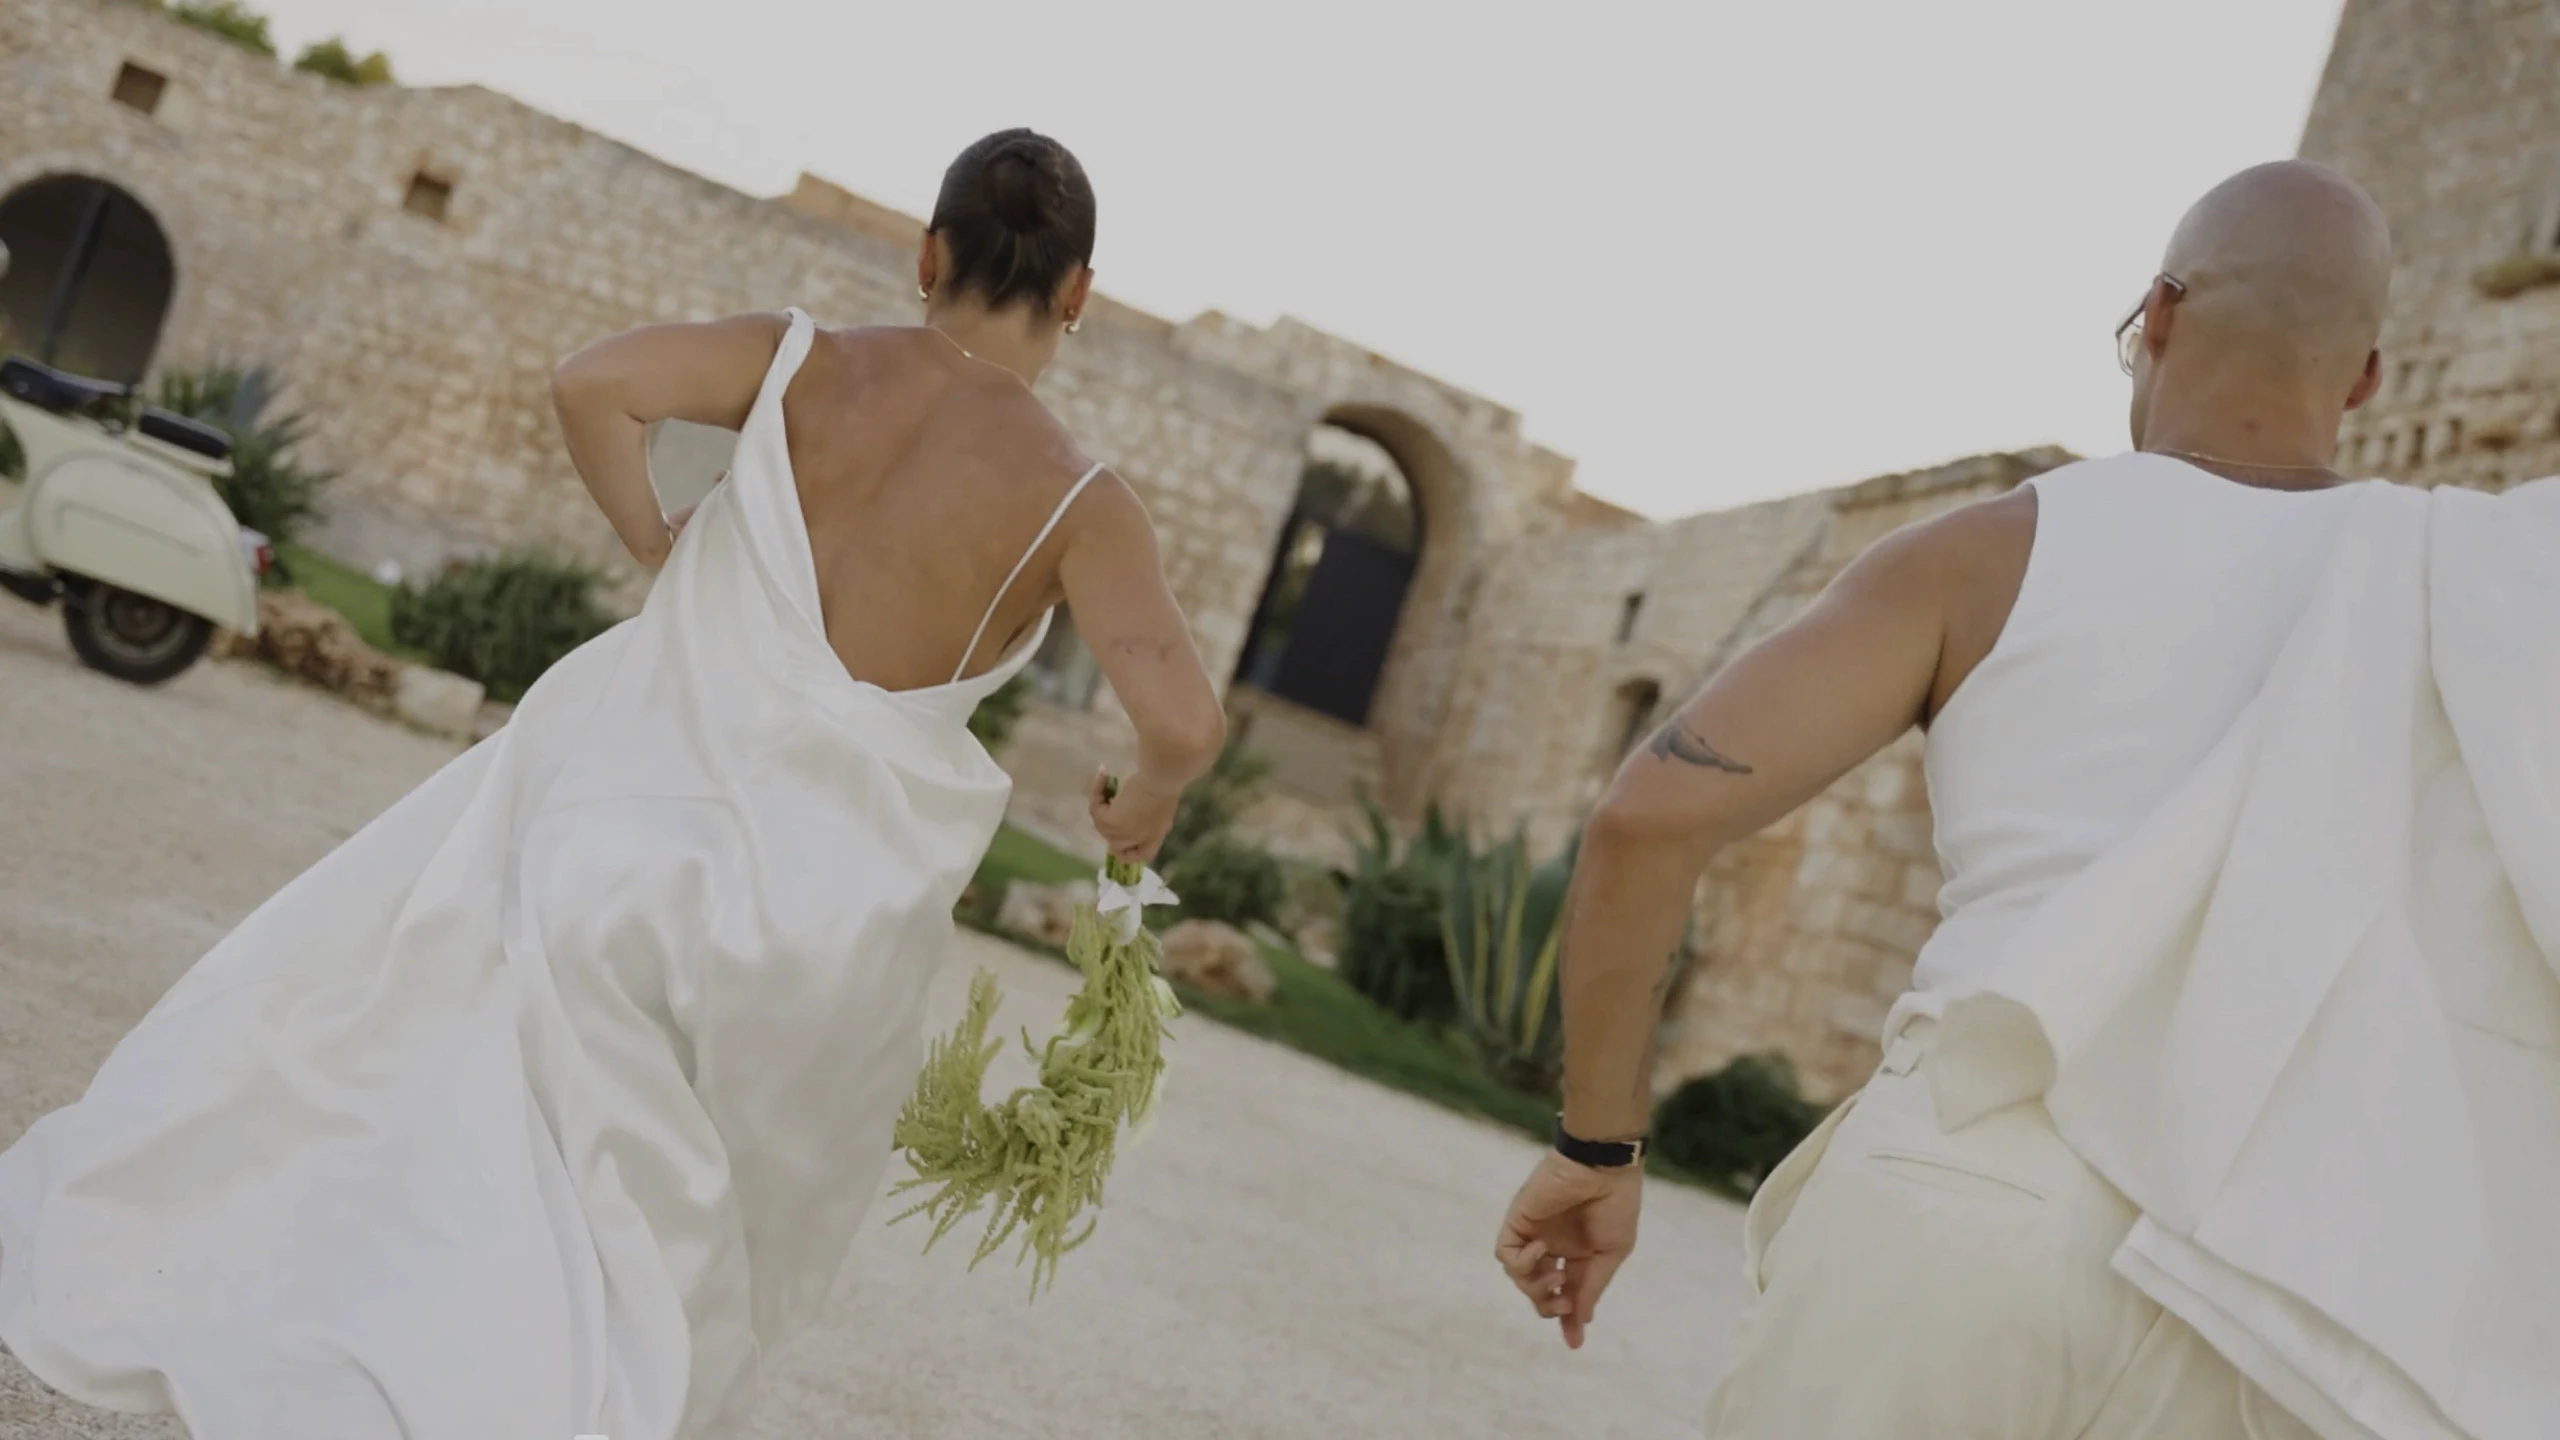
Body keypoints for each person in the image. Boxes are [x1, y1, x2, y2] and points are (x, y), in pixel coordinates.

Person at [0, 127, 1225, 1439]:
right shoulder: (1082, 502)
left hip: (633, 819)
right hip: (819, 919)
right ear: (1080, 294)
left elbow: (595, 383)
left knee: (495, 1112)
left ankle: (422, 1357)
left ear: (927, 253)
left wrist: (655, 538)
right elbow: (1182, 719)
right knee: (674, 1230)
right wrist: (1141, 807)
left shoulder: (804, 357)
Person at [1494, 158, 2560, 1439]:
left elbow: (1648, 820)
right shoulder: (2477, 594)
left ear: (2156, 315)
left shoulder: (1990, 552)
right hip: (2277, 1289)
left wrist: (1596, 1150)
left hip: (1964, 1197)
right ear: (2369, 377)